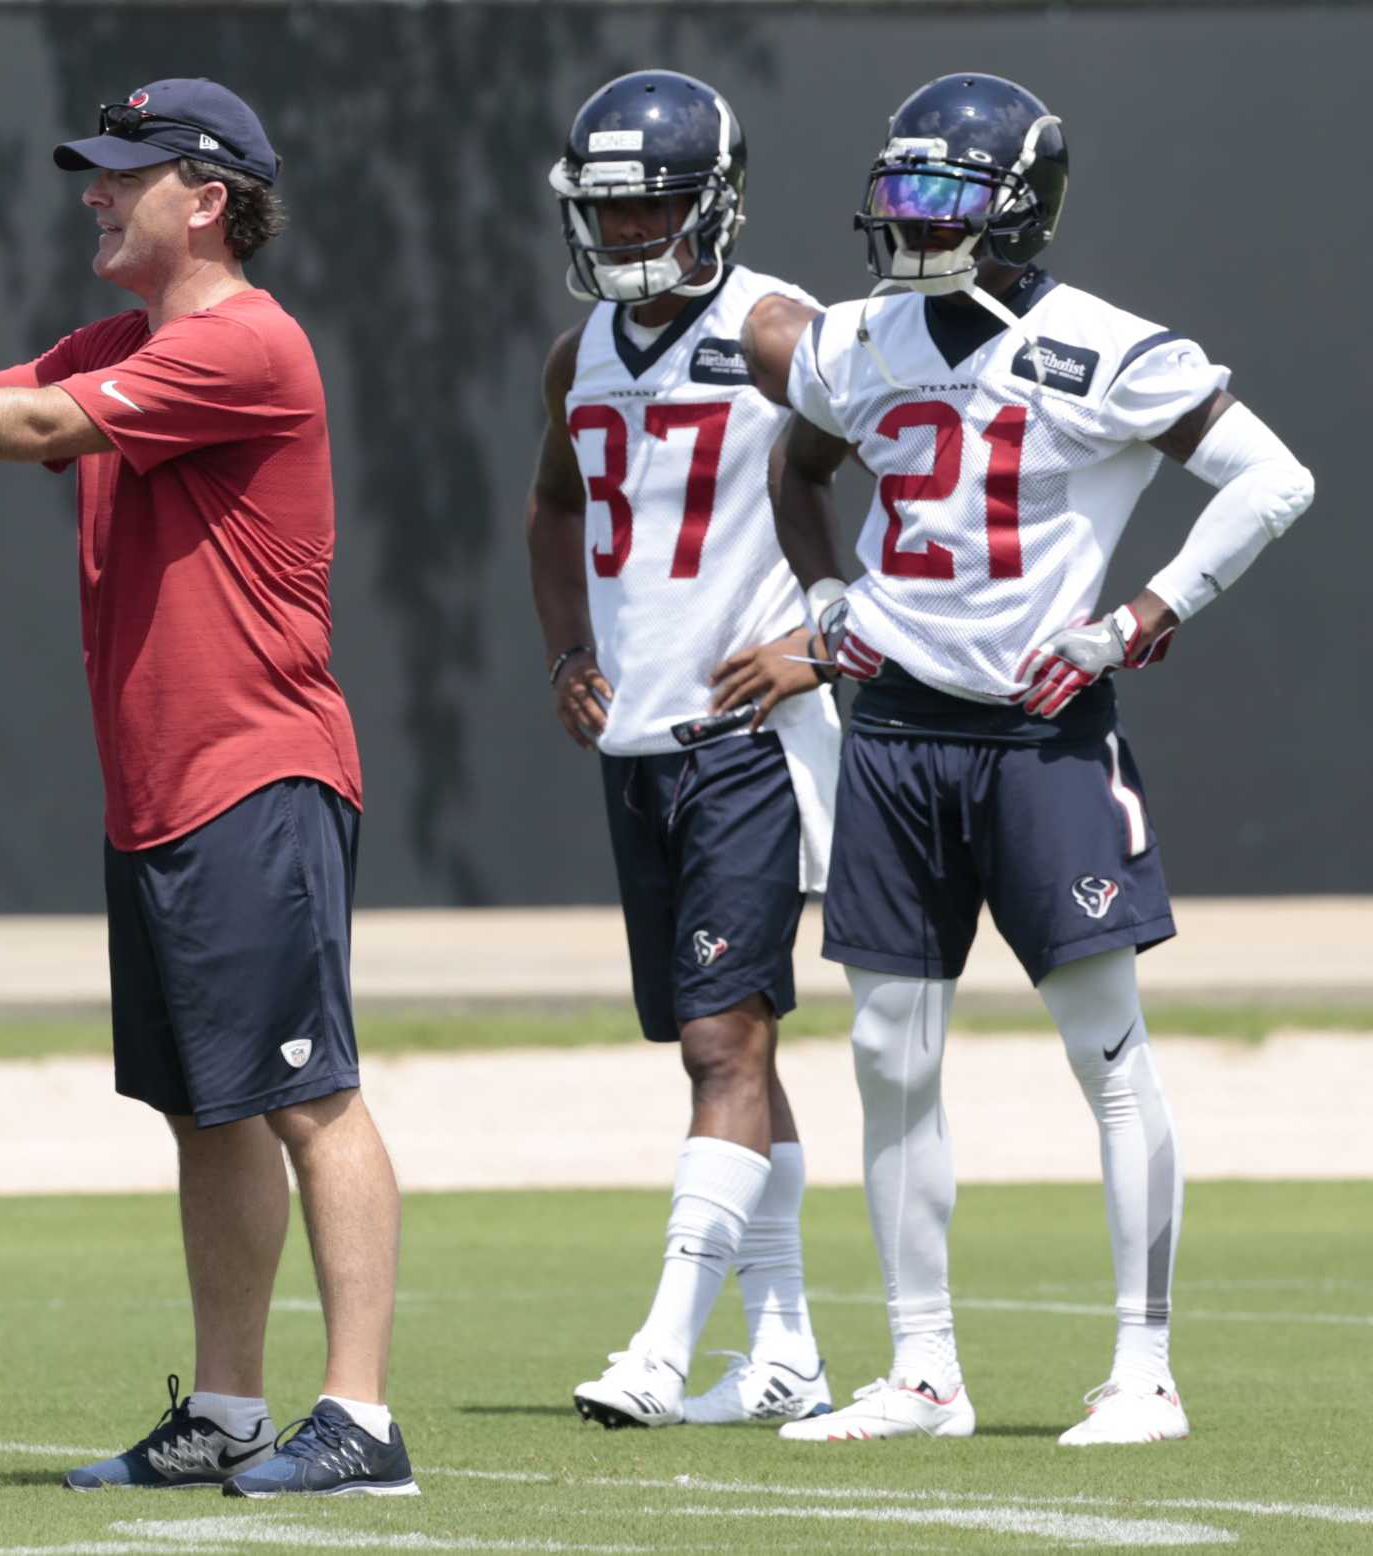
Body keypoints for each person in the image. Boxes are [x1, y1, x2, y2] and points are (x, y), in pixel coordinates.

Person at [0, 78, 416, 1498]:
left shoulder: (245, 342)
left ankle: (360, 1420)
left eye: (124, 174)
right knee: (209, 1110)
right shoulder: (124, 343)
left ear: (209, 198)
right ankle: (232, 1414)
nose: (94, 193)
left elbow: (27, 431)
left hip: (258, 780)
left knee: (312, 1094)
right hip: (167, 799)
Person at [738, 73, 1313, 1445]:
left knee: (1107, 1055)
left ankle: (1145, 1373)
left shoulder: (1103, 347)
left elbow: (1273, 477)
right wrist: (828, 609)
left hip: (1041, 742)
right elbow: (797, 470)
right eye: (903, 188)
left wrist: (1140, 617)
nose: (912, 218)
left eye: (944, 193)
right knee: (888, 1052)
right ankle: (924, 1372)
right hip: (896, 738)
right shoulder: (863, 338)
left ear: (1019, 205)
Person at [528, 70, 839, 1433]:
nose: (627, 228)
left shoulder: (780, 328)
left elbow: (924, 471)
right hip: (641, 739)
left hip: (749, 739)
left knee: (726, 1035)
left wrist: (823, 638)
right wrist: (564, 652)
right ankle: (787, 1351)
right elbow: (549, 508)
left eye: (651, 199)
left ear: (712, 199)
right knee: (724, 1050)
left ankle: (664, 1341)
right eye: (606, 206)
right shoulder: (579, 349)